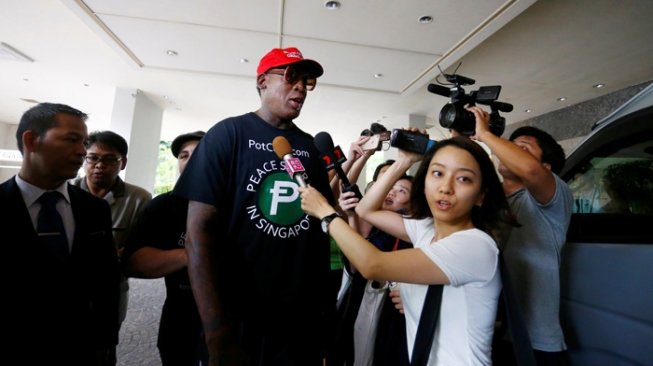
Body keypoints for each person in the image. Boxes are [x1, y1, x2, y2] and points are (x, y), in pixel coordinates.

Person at [173, 47, 334, 365]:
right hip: (237, 317)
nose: (300, 87)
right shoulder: (228, 134)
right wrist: (215, 330)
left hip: (297, 323)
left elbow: (322, 235)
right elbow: (197, 235)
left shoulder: (309, 147)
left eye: (307, 81)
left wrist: (325, 315)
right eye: (290, 77)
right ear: (262, 81)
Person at [300, 136, 518, 365]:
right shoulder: (425, 229)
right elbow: (366, 209)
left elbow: (373, 265)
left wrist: (326, 212)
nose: (446, 187)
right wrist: (404, 161)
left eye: (464, 179)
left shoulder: (475, 245)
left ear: (481, 195)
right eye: (437, 173)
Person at [1, 102, 120, 365]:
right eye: (71, 140)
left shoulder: (95, 209)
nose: (82, 151)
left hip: (81, 349)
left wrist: (105, 343)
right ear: (31, 141)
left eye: (84, 142)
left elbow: (107, 283)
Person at [465, 107, 572, 366]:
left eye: (522, 148)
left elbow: (532, 173)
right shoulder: (488, 199)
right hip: (489, 332)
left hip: (536, 341)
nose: (508, 150)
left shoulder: (554, 197)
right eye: (509, 146)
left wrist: (487, 135)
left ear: (546, 166)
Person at [122, 131, 206, 365]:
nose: (189, 160)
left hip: (231, 316)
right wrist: (191, 255)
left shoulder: (238, 204)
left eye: (199, 154)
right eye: (183, 155)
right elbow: (134, 262)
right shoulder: (163, 207)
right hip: (180, 315)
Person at [71, 130, 152, 363]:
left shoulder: (139, 199)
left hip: (111, 289)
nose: (99, 165)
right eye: (93, 158)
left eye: (109, 159)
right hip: (67, 288)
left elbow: (140, 248)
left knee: (104, 348)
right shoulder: (66, 192)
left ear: (122, 162)